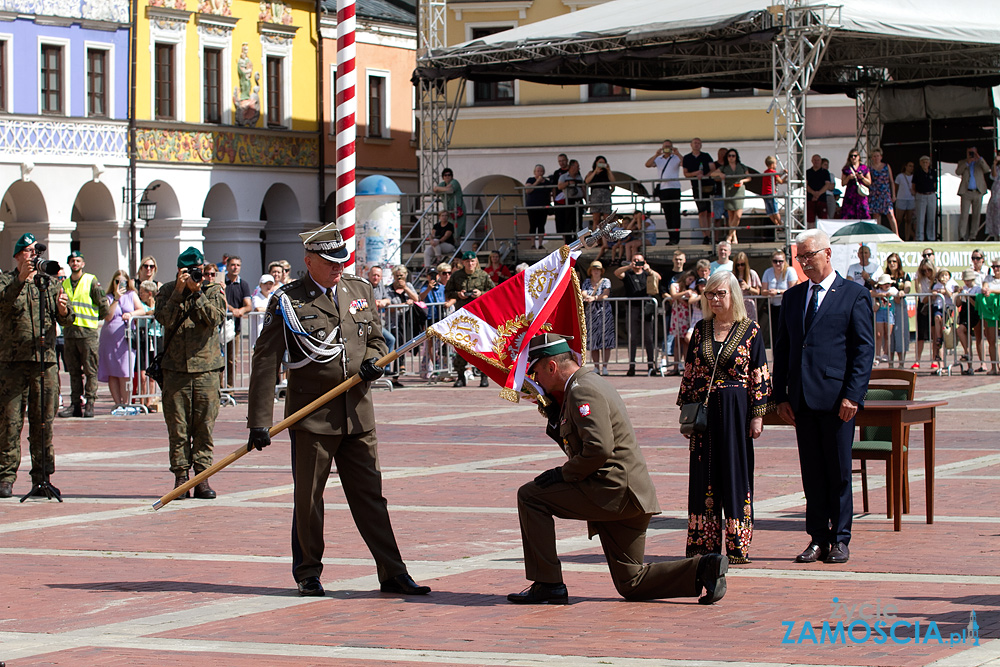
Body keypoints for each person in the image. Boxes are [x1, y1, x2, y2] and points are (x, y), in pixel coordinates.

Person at [245, 223, 431, 598]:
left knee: (371, 497)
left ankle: (392, 572)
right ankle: (308, 573)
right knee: (309, 499)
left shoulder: (359, 290)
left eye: (341, 261)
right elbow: (266, 361)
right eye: (330, 263)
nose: (339, 268)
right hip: (312, 418)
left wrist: (375, 362)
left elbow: (376, 339)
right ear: (309, 261)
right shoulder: (288, 301)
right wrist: (259, 422)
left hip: (358, 414)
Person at [507, 333, 729, 605]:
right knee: (631, 583)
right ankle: (703, 569)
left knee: (530, 496)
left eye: (536, 371)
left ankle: (548, 583)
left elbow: (598, 449)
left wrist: (562, 474)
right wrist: (557, 416)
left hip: (612, 491)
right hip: (629, 494)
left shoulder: (581, 390)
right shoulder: (585, 384)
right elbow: (583, 441)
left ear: (552, 367)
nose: (535, 379)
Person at [773, 229, 874, 565]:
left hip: (837, 400)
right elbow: (784, 349)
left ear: (827, 254)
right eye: (799, 257)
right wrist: (780, 395)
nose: (804, 263)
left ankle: (840, 539)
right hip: (802, 399)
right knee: (812, 472)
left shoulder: (854, 296)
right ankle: (817, 538)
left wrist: (854, 395)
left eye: (809, 256)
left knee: (839, 472)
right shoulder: (793, 297)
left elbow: (863, 350)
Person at [677, 271, 772, 564]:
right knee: (704, 475)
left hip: (736, 411)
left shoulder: (750, 330)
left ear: (734, 295)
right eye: (710, 294)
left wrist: (757, 415)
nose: (715, 299)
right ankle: (704, 544)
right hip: (705, 415)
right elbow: (690, 373)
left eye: (721, 293)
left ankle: (737, 545)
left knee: (735, 473)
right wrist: (686, 415)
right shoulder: (701, 329)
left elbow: (760, 375)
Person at [0, 233, 74, 498]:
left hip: (44, 363)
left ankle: (42, 477)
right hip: (12, 364)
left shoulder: (49, 284)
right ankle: (5, 476)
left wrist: (64, 311)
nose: (33, 256)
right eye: (28, 252)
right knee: (9, 422)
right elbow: (3, 303)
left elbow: (67, 320)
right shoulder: (6, 281)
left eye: (36, 251)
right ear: (18, 255)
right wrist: (21, 279)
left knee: (43, 422)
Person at [155, 247, 227, 500]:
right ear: (178, 271)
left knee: (204, 427)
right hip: (175, 371)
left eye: (197, 270)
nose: (193, 275)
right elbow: (163, 318)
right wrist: (178, 292)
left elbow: (215, 318)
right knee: (178, 428)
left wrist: (197, 295)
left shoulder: (213, 290)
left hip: (206, 370)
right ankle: (181, 477)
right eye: (187, 271)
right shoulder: (166, 291)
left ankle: (202, 478)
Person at [58, 251, 109, 418]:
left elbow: (103, 305)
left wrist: (95, 319)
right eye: (72, 261)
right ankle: (75, 404)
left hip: (87, 332)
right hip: (70, 332)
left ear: (83, 263)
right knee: (73, 371)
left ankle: (90, 403)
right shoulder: (64, 283)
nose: (75, 263)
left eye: (78, 260)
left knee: (90, 370)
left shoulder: (90, 280)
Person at [445, 251, 496, 387]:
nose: (470, 264)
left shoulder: (483, 275)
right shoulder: (457, 276)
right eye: (467, 262)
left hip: (479, 317)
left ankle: (484, 377)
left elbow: (494, 292)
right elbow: (447, 292)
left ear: (476, 261)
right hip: (462, 318)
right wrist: (458, 294)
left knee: (482, 347)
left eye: (472, 261)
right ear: (463, 262)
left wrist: (481, 294)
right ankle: (461, 377)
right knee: (462, 347)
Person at [98, 270, 144, 410]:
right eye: (117, 281)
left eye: (122, 282)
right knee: (112, 372)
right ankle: (118, 403)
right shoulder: (108, 297)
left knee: (125, 371)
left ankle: (126, 403)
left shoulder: (131, 295)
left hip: (125, 339)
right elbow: (108, 316)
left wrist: (130, 314)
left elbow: (141, 310)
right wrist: (116, 299)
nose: (119, 284)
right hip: (109, 339)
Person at [614, 254, 660, 376]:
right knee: (632, 338)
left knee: (648, 338)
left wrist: (648, 269)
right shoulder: (628, 274)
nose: (637, 263)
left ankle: (651, 365)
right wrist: (629, 266)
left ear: (644, 262)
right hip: (632, 308)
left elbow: (658, 278)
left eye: (639, 261)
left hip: (646, 308)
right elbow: (617, 273)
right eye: (635, 260)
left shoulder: (647, 273)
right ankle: (632, 366)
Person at [223, 255, 252, 388]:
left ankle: (230, 388)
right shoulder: (221, 281)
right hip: (218, 326)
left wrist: (241, 310)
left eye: (238, 265)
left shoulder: (243, 284)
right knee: (217, 360)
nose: (235, 268)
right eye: (233, 265)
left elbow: (249, 305)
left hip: (235, 328)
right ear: (227, 266)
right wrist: (232, 309)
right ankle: (219, 389)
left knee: (232, 359)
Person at [646, 139, 683, 245]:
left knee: (675, 215)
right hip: (663, 189)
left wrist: (677, 153)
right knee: (668, 215)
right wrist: (656, 154)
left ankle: (676, 238)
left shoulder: (676, 158)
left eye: (669, 147)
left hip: (674, 188)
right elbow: (647, 164)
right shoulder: (659, 159)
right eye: (665, 147)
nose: (667, 149)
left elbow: (685, 163)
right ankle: (671, 238)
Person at [582, 261, 614, 376]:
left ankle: (605, 366)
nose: (596, 271)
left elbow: (605, 294)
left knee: (606, 341)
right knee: (594, 341)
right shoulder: (587, 282)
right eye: (594, 269)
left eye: (598, 269)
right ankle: (596, 366)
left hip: (604, 314)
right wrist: (588, 297)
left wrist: (594, 298)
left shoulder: (605, 281)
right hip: (592, 315)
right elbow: (583, 293)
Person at [683, 138, 715, 245]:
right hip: (696, 187)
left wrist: (705, 176)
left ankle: (710, 234)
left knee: (709, 212)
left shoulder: (706, 156)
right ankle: (705, 235)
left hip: (708, 186)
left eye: (698, 143)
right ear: (691, 145)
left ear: (701, 145)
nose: (696, 145)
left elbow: (713, 168)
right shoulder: (687, 158)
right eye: (695, 143)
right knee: (702, 212)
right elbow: (686, 173)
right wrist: (696, 174)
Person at [911, 259, 942, 372]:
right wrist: (929, 294)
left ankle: (935, 359)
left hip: (935, 306)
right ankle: (917, 359)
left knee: (935, 334)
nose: (927, 273)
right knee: (921, 334)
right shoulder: (920, 279)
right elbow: (921, 297)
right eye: (924, 271)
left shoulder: (937, 278)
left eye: (929, 270)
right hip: (924, 306)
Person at [761, 250, 798, 344]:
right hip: (774, 307)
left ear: (785, 261)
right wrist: (769, 292)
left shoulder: (790, 271)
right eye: (775, 261)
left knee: (789, 332)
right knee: (776, 333)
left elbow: (793, 290)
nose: (778, 264)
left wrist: (778, 292)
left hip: (788, 307)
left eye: (780, 261)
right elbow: (763, 291)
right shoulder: (768, 272)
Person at [716, 149, 751, 244]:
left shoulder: (742, 166)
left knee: (738, 215)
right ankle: (734, 237)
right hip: (729, 190)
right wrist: (720, 174)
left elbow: (749, 177)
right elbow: (713, 174)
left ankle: (729, 235)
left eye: (733, 156)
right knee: (731, 215)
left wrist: (743, 181)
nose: (731, 158)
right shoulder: (724, 167)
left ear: (736, 157)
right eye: (729, 156)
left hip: (739, 191)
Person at [584, 155, 615, 259]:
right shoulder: (591, 172)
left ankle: (606, 240)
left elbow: (613, 183)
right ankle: (596, 240)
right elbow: (587, 181)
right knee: (596, 219)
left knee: (606, 219)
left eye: (603, 162)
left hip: (605, 195)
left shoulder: (607, 173)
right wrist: (595, 171)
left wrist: (608, 170)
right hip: (595, 195)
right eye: (599, 162)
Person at [883, 253, 911, 368]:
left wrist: (903, 291)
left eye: (894, 261)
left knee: (900, 333)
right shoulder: (885, 276)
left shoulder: (904, 275)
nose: (892, 264)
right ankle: (890, 364)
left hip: (899, 306)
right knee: (889, 335)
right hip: (887, 306)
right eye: (890, 261)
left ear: (898, 262)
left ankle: (901, 363)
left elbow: (908, 287)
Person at [956, 146, 990, 241]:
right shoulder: (962, 162)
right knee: (964, 215)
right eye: (969, 152)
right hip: (966, 192)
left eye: (973, 152)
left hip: (978, 192)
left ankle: (973, 235)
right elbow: (958, 172)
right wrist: (967, 162)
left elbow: (987, 170)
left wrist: (978, 157)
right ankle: (962, 236)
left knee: (976, 215)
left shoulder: (979, 162)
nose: (971, 154)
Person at [668, 269, 697, 375]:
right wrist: (685, 293)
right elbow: (673, 295)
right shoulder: (675, 285)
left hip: (688, 316)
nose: (690, 282)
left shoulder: (692, 289)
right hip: (677, 315)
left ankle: (686, 367)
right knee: (677, 342)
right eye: (689, 279)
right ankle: (675, 366)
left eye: (692, 281)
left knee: (686, 342)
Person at [956, 269, 983, 372]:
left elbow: (976, 305)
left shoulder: (977, 289)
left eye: (969, 280)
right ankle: (968, 357)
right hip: (965, 313)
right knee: (961, 331)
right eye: (965, 280)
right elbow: (958, 303)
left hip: (974, 314)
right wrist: (960, 294)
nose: (967, 282)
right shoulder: (964, 288)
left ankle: (981, 362)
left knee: (978, 338)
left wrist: (968, 296)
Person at [867, 149, 897, 234]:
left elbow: (891, 181)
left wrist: (893, 194)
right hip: (874, 193)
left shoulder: (886, 166)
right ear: (872, 158)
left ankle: (897, 235)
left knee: (890, 214)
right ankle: (878, 235)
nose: (876, 158)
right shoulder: (870, 168)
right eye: (874, 156)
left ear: (881, 157)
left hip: (885, 193)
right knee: (876, 215)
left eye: (878, 156)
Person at [433, 167, 467, 240]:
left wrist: (441, 189)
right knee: (448, 229)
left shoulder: (455, 182)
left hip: (458, 210)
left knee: (456, 231)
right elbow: (435, 189)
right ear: (443, 177)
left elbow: (450, 190)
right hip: (448, 211)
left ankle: (457, 248)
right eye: (445, 175)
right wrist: (445, 189)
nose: (447, 176)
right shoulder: (442, 184)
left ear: (452, 176)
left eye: (449, 175)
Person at [557, 160, 585, 245]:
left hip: (579, 200)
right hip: (569, 201)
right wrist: (568, 183)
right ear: (572, 167)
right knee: (569, 222)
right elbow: (559, 186)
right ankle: (569, 242)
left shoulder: (579, 177)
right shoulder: (564, 177)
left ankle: (579, 241)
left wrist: (586, 200)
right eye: (577, 167)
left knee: (579, 221)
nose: (578, 169)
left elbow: (583, 188)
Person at [872, 274, 898, 366]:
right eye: (884, 283)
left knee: (888, 334)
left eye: (888, 283)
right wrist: (881, 294)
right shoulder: (878, 291)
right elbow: (871, 292)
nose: (887, 285)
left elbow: (897, 293)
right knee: (879, 334)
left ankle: (886, 353)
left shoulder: (893, 290)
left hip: (889, 313)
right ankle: (877, 355)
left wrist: (890, 294)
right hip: (880, 313)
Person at [524, 164, 550, 249]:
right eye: (538, 171)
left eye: (541, 171)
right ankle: (532, 244)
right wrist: (537, 182)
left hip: (543, 207)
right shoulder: (530, 180)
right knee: (533, 225)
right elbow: (528, 190)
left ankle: (540, 244)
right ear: (534, 172)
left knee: (541, 225)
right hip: (532, 207)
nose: (539, 173)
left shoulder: (547, 182)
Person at [840, 149, 871, 220]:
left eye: (855, 156)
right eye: (851, 156)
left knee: (864, 214)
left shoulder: (864, 168)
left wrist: (862, 177)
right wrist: (848, 178)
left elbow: (869, 182)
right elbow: (843, 183)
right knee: (848, 215)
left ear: (859, 157)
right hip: (850, 195)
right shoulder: (846, 169)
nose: (853, 158)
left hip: (861, 195)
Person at [548, 154, 572, 245]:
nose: (561, 163)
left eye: (563, 160)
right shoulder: (557, 173)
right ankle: (565, 242)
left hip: (570, 200)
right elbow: (554, 187)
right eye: (560, 161)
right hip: (559, 201)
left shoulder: (572, 171)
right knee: (561, 223)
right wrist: (554, 200)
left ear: (567, 160)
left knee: (570, 222)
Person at [731, 252, 761, 321]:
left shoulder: (752, 273)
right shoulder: (732, 275)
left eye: (742, 264)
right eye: (738, 265)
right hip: (736, 305)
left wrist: (748, 288)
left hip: (749, 305)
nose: (740, 267)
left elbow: (758, 292)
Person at [913, 155, 937, 242]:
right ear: (920, 163)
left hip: (931, 195)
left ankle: (931, 237)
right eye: (923, 162)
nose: (925, 164)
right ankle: (920, 237)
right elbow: (913, 185)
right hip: (921, 195)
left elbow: (934, 184)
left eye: (927, 162)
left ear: (929, 163)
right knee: (920, 218)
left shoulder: (933, 172)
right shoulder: (917, 172)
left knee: (931, 218)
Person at [761, 156, 787, 234]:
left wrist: (780, 173)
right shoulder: (773, 172)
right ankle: (781, 224)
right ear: (772, 164)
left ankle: (777, 225)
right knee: (775, 211)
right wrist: (786, 176)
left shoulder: (765, 172)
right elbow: (780, 181)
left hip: (765, 193)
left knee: (769, 212)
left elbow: (776, 177)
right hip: (771, 193)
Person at [805, 154, 832, 224]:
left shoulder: (825, 172)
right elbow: (805, 184)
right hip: (810, 199)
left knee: (823, 220)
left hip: (822, 199)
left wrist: (818, 194)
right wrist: (813, 193)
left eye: (818, 160)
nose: (816, 162)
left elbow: (827, 185)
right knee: (810, 220)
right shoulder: (808, 172)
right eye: (815, 160)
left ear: (820, 161)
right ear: (812, 161)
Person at [894, 161, 916, 241]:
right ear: (905, 166)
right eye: (909, 166)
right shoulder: (900, 176)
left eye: (912, 166)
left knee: (909, 220)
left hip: (911, 199)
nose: (911, 168)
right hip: (901, 199)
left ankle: (907, 238)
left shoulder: (914, 177)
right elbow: (896, 187)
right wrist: (895, 196)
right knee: (899, 219)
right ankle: (895, 235)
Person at [986, 154, 1000, 241]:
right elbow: (994, 176)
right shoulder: (997, 167)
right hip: (996, 194)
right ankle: (996, 236)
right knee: (995, 215)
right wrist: (994, 163)